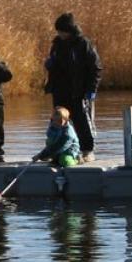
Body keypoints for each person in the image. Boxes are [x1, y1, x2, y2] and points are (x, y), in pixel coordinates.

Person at [43, 13, 102, 162]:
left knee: (82, 121)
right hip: (59, 89)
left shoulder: (83, 44)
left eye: (62, 31)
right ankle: (56, 150)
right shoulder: (56, 45)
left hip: (79, 91)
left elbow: (95, 68)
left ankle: (87, 150)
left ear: (70, 30)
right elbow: (54, 65)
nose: (60, 34)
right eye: (58, 31)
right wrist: (50, 65)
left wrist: (91, 90)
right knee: (57, 121)